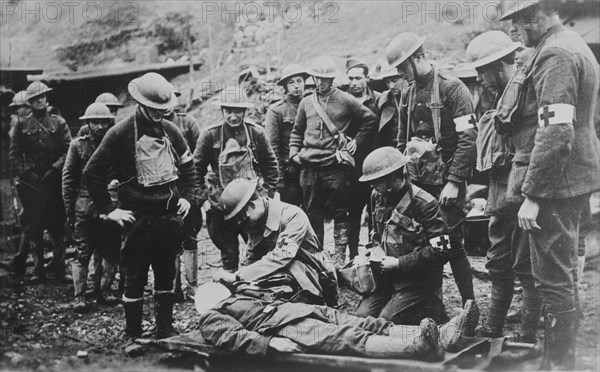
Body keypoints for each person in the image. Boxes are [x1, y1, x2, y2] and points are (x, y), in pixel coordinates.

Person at [497, 2, 600, 368]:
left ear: (536, 18)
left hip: (556, 187)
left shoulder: (554, 54)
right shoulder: (575, 43)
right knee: (565, 274)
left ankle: (557, 364)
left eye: (517, 24)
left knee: (552, 281)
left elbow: (556, 131)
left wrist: (534, 195)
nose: (513, 32)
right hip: (573, 179)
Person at [83, 72, 197, 342]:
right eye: (154, 110)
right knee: (134, 277)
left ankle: (165, 330)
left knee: (166, 274)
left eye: (163, 110)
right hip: (138, 220)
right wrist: (109, 209)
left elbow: (189, 167)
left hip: (169, 218)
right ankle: (132, 333)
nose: (159, 115)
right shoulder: (119, 133)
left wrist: (188, 197)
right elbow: (92, 172)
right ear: (140, 105)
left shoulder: (171, 130)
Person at [386, 32, 476, 305]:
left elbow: (469, 137)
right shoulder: (406, 94)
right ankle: (432, 304)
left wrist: (455, 180)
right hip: (417, 183)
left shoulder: (453, 89)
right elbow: (401, 140)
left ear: (419, 58)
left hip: (446, 183)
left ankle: (469, 304)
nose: (402, 75)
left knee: (453, 245)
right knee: (426, 245)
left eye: (403, 68)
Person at [465, 30, 542, 343]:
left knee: (526, 266)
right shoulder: (497, 95)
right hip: (500, 191)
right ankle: (493, 328)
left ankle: (526, 335)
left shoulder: (528, 90)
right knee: (498, 263)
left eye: (483, 71)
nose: (480, 79)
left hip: (523, 191)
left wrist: (532, 194)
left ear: (498, 65)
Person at [195, 282, 479, 360]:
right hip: (288, 328)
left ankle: (444, 334)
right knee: (347, 338)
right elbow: (229, 335)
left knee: (368, 324)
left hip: (304, 312)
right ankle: (416, 347)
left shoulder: (238, 297)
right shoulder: (211, 316)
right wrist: (267, 343)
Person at [289, 56, 377, 269]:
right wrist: (294, 155)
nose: (321, 83)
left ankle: (339, 257)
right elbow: (297, 132)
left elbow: (370, 119)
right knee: (312, 213)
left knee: (341, 212)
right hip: (309, 168)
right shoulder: (306, 102)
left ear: (332, 79)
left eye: (325, 79)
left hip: (335, 167)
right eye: (317, 78)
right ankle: (318, 258)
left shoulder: (345, 99)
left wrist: (356, 141)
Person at [354, 147, 452, 325]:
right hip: (387, 281)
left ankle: (433, 310)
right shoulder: (377, 196)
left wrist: (399, 263)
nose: (371, 186)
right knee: (361, 319)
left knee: (386, 322)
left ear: (391, 178)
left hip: (418, 283)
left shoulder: (425, 204)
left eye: (375, 181)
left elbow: (442, 252)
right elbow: (375, 235)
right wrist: (373, 253)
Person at [213, 178, 337, 306]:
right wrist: (238, 283)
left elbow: (282, 256)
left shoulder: (292, 216)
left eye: (241, 217)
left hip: (309, 276)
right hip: (281, 275)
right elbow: (251, 259)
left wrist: (238, 277)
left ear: (252, 206)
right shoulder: (256, 222)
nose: (240, 223)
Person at [193, 89, 279, 273]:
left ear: (244, 112)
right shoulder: (210, 135)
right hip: (222, 203)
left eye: (237, 111)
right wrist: (203, 201)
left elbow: (271, 165)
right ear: (222, 111)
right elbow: (195, 171)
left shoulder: (256, 133)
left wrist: (266, 195)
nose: (233, 116)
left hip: (252, 202)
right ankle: (230, 289)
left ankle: (256, 288)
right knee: (228, 251)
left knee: (258, 249)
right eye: (228, 111)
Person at [9, 81, 72, 283]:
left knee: (57, 226)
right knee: (35, 227)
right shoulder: (21, 124)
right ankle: (38, 270)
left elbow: (67, 150)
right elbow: (14, 155)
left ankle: (60, 268)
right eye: (35, 99)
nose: (39, 101)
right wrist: (27, 173)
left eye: (42, 97)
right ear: (30, 102)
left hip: (53, 183)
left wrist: (55, 169)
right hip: (32, 185)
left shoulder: (59, 123)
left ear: (47, 98)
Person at [63, 103, 121, 312]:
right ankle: (80, 296)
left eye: (103, 122)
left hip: (110, 207)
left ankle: (104, 291)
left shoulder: (116, 146)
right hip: (85, 207)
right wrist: (70, 211)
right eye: (94, 122)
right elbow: (68, 181)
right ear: (87, 123)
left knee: (110, 252)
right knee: (82, 252)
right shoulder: (77, 146)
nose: (99, 126)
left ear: (109, 123)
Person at [165, 86, 203, 302]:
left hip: (187, 188)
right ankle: (172, 287)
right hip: (164, 191)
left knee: (190, 238)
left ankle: (192, 286)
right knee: (169, 241)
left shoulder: (187, 123)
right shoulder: (151, 126)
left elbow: (199, 158)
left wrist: (195, 192)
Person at [345, 57, 379, 261]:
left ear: (367, 78)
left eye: (358, 78)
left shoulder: (378, 100)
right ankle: (353, 254)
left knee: (375, 211)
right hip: (351, 167)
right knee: (353, 212)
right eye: (351, 78)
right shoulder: (342, 99)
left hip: (374, 163)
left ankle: (372, 254)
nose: (354, 83)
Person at [264, 64, 309, 206]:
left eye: (299, 81)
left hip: (312, 169)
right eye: (291, 82)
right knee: (292, 213)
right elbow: (272, 147)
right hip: (291, 173)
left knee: (314, 215)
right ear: (285, 86)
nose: (296, 86)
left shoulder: (313, 105)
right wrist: (280, 178)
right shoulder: (277, 110)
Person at [372, 64, 407, 149]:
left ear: (405, 78)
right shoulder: (382, 100)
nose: (391, 86)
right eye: (388, 82)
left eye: (395, 81)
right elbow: (376, 131)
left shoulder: (413, 97)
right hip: (389, 148)